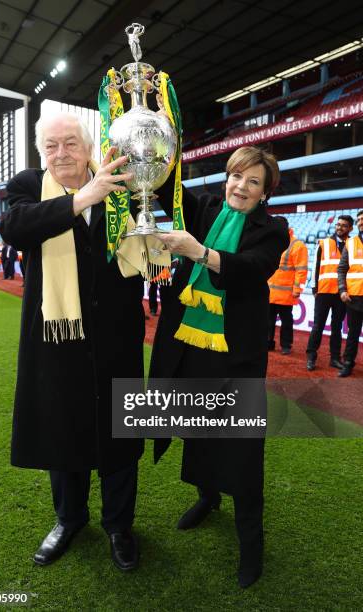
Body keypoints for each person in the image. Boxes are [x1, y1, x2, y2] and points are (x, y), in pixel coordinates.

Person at [0, 112, 145, 571]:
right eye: (51, 146)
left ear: (88, 148)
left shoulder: (121, 183)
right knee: (63, 429)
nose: (61, 153)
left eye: (70, 144)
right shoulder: (28, 185)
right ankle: (69, 519)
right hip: (56, 337)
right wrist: (83, 198)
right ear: (42, 153)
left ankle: (119, 525)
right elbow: (15, 228)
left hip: (117, 335)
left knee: (119, 434)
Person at [150, 146, 289, 588]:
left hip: (236, 356)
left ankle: (252, 543)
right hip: (190, 348)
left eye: (253, 182)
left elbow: (251, 268)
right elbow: (168, 184)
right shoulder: (206, 206)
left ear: (265, 193)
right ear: (226, 177)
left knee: (243, 450)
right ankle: (207, 497)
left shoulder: (274, 229)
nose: (240, 187)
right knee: (197, 431)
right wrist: (150, 138)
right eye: (236, 177)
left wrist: (200, 252)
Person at [306, 216, 353, 371]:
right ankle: (311, 357)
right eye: (338, 225)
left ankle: (334, 358)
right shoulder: (324, 243)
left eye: (344, 226)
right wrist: (314, 288)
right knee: (318, 325)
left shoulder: (354, 245)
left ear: (350, 229)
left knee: (337, 327)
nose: (340, 228)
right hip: (324, 291)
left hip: (342, 293)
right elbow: (316, 266)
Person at [267, 220, 308, 355]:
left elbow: (301, 270)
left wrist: (297, 290)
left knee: (286, 322)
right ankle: (268, 343)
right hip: (270, 292)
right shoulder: (272, 241)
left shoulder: (297, 245)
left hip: (286, 294)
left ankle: (286, 345)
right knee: (268, 320)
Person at [337, 209, 363, 377]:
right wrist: (342, 289)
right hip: (354, 296)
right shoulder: (351, 243)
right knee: (352, 333)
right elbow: (342, 268)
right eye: (359, 219)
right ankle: (348, 363)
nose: (361, 222)